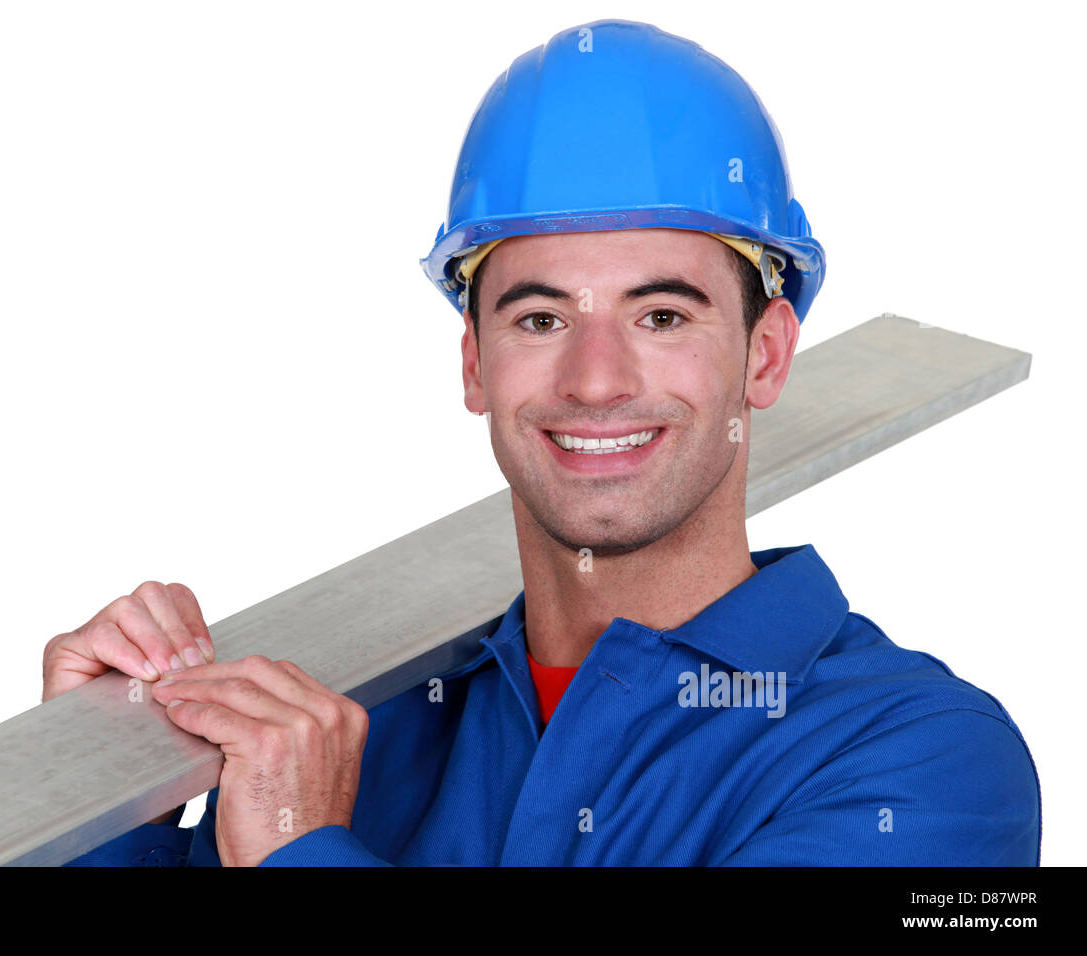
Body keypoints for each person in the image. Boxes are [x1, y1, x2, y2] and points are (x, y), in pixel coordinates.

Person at [52, 19, 1040, 866]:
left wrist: (304, 844)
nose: (595, 378)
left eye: (660, 316)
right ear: (475, 365)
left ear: (766, 355)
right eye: (538, 319)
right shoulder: (367, 727)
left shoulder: (925, 760)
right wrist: (97, 784)